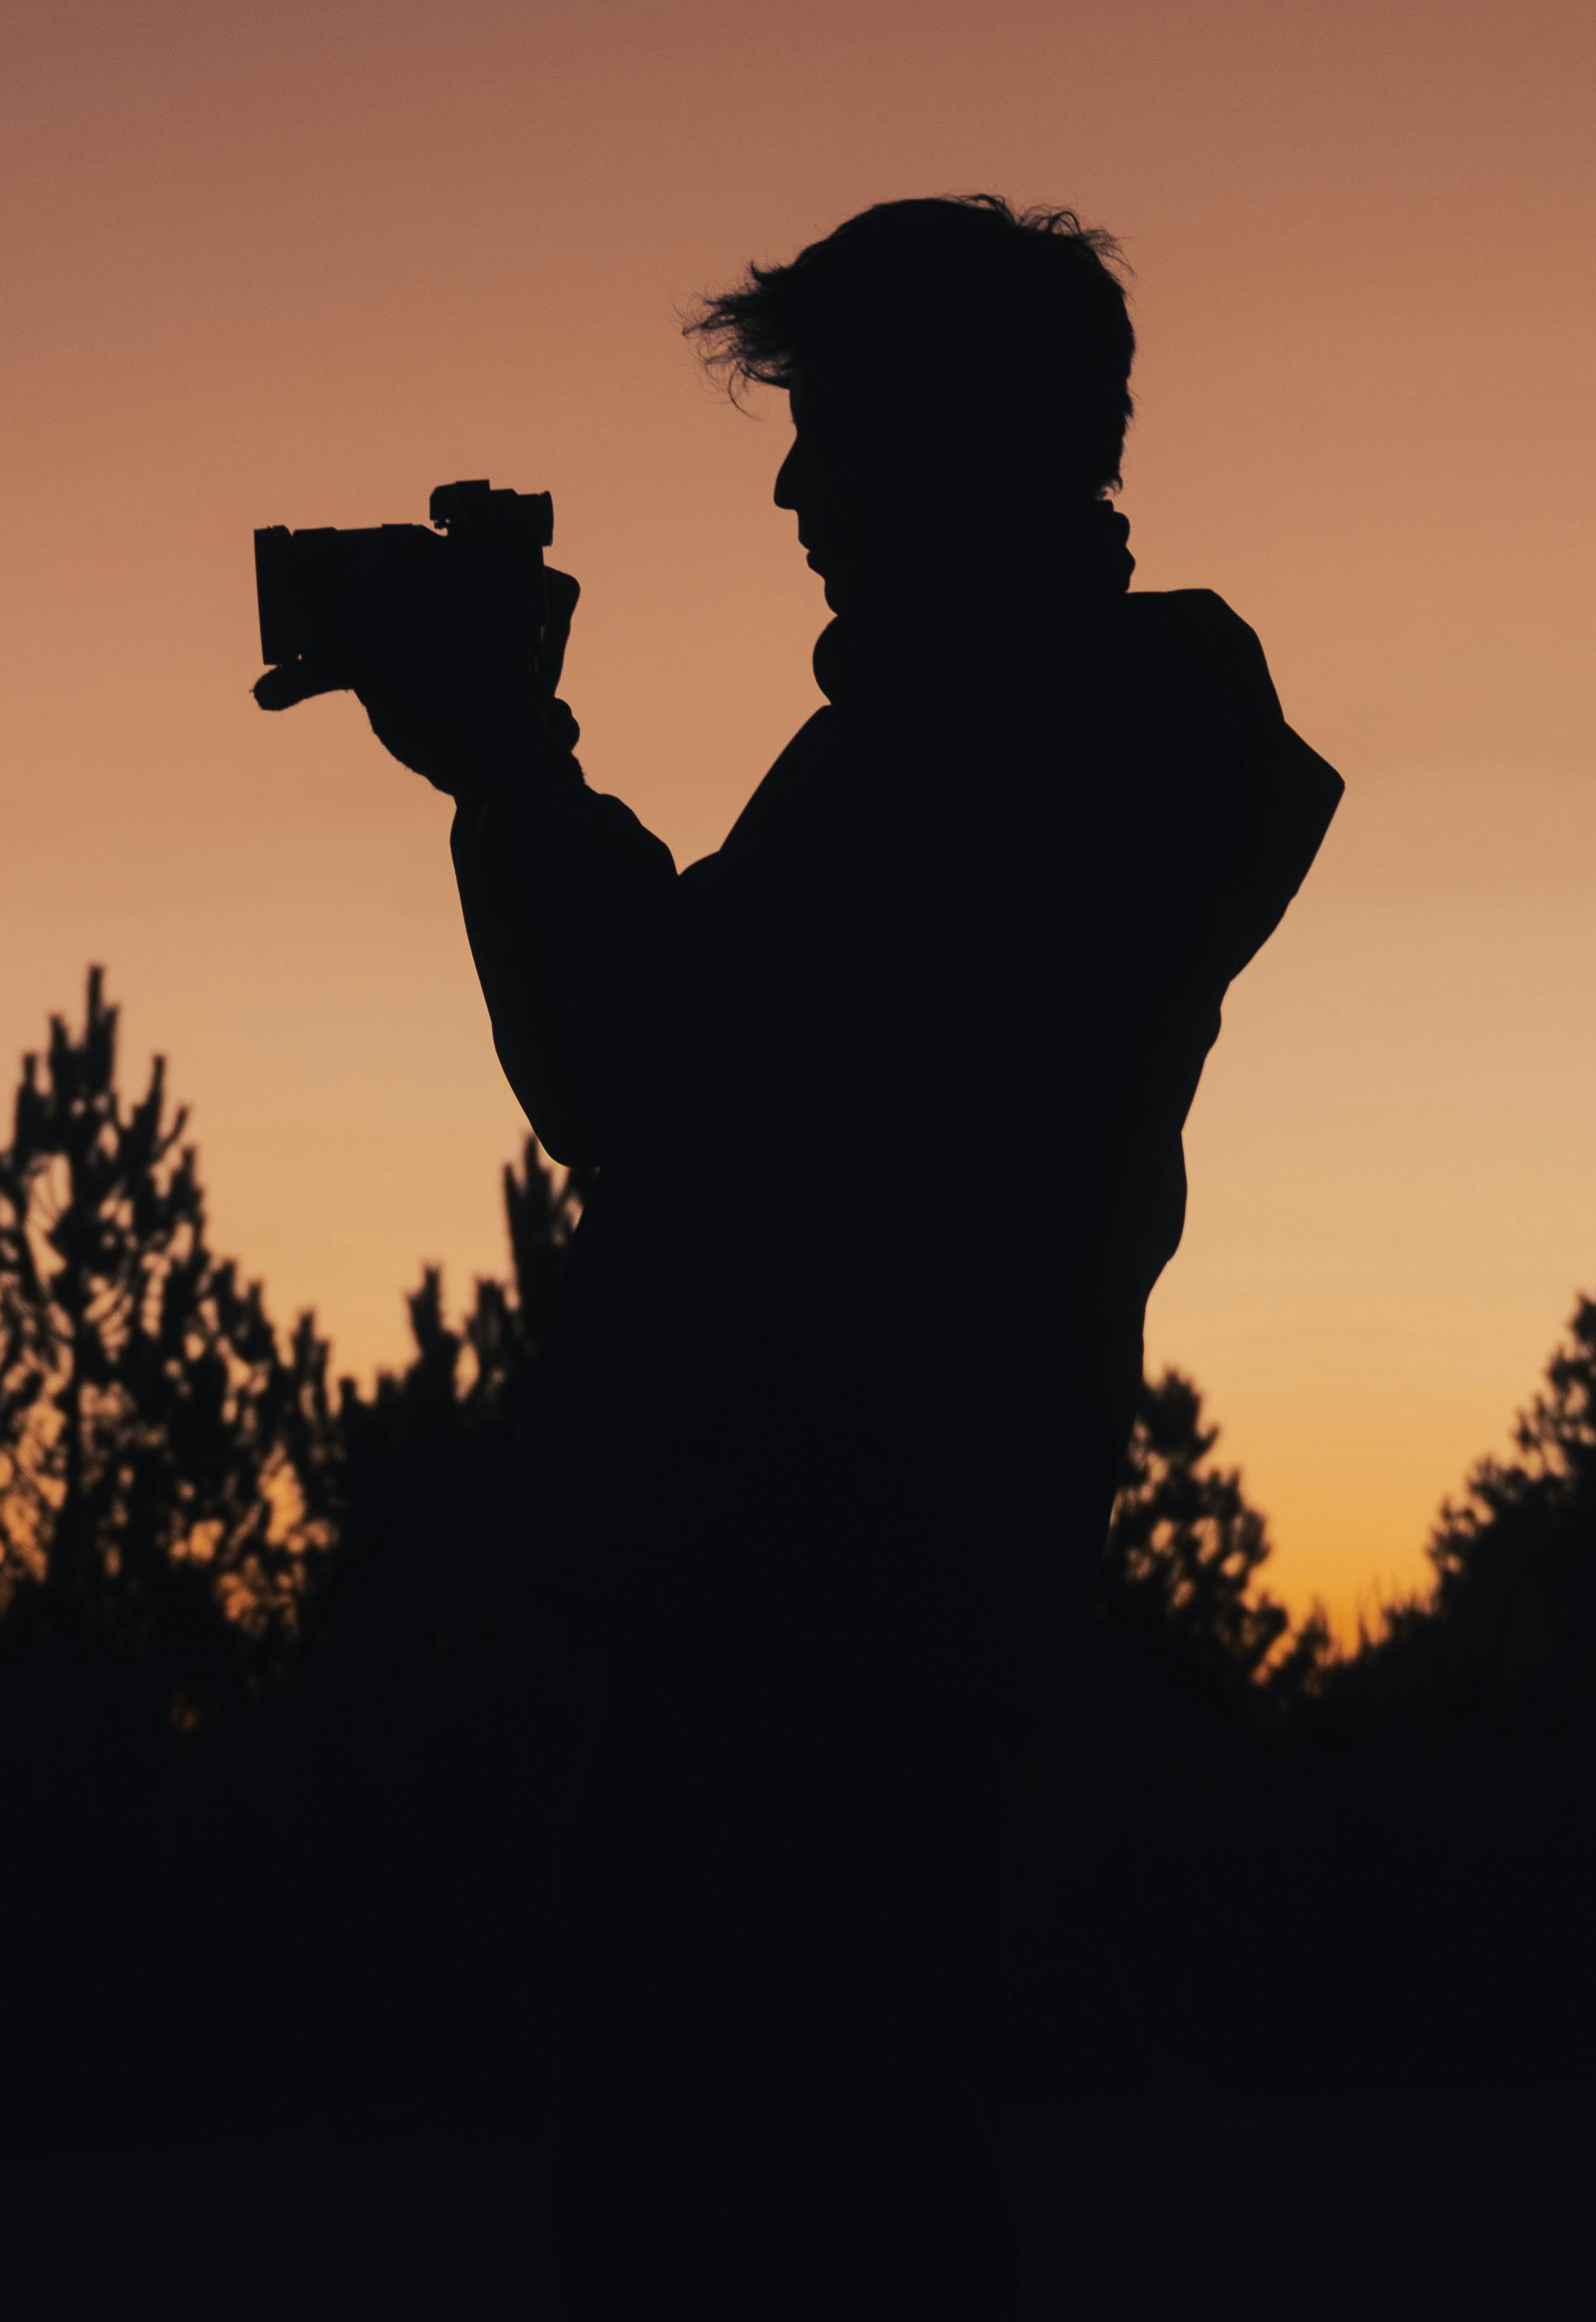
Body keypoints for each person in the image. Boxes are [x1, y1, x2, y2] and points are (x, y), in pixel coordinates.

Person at [291, 196, 1340, 2313]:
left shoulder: (998, 752)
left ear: (985, 448)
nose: (792, 489)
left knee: (769, 2209)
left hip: (811, 1627)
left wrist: (508, 757)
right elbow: (701, 1069)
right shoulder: (1028, 737)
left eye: (834, 433)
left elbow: (658, 1081)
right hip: (869, 1608)